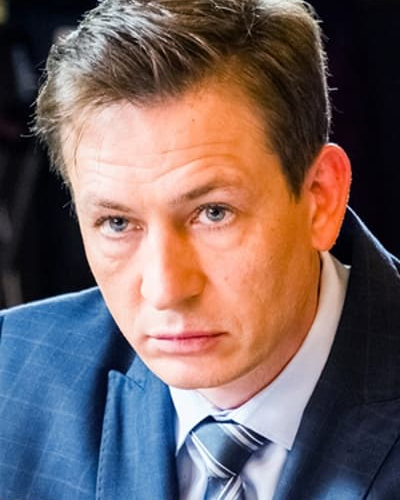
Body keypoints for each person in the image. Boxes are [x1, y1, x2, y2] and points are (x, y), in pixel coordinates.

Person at [0, 0, 399, 498]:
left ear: (320, 199)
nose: (166, 290)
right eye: (118, 223)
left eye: (213, 213)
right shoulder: (11, 376)